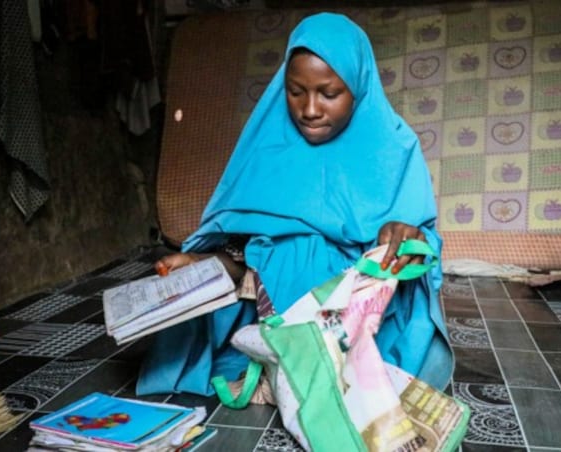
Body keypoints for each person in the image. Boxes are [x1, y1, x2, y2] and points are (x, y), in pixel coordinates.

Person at [137, 12, 452, 396]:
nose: (310, 110)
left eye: (329, 93)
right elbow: (248, 250)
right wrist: (206, 267)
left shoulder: (394, 147)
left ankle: (311, 372)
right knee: (272, 260)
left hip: (357, 322)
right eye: (296, 91)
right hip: (272, 319)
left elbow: (421, 249)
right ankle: (284, 365)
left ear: (359, 86)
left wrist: (404, 237)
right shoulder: (267, 146)